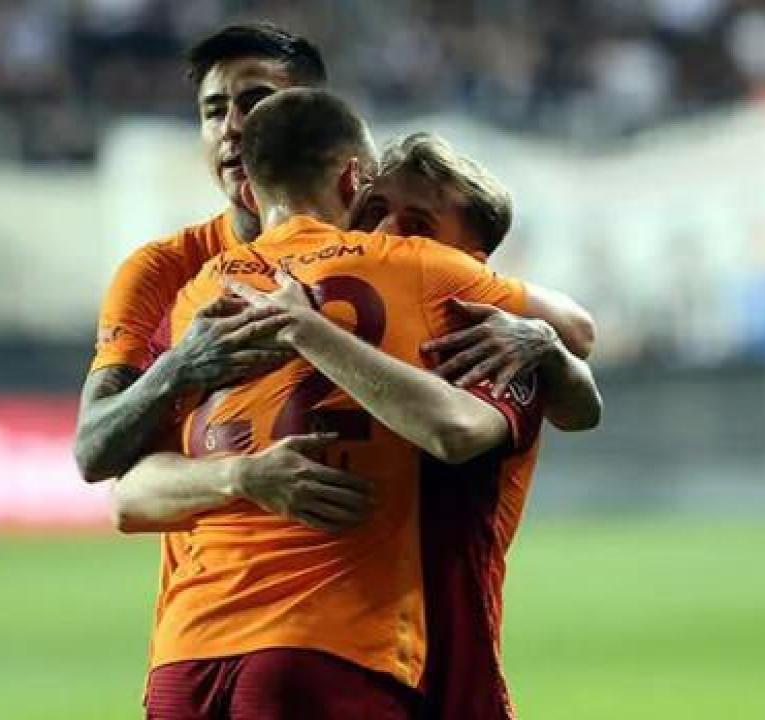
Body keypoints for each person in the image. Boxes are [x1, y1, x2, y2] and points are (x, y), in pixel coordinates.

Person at [142, 88, 601, 719]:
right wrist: (241, 474)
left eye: (418, 227)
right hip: (346, 656)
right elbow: (127, 493)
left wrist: (545, 343)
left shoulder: (486, 345)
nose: (386, 233)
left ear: (472, 264)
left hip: (393, 666)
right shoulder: (340, 292)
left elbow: (514, 411)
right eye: (376, 208)